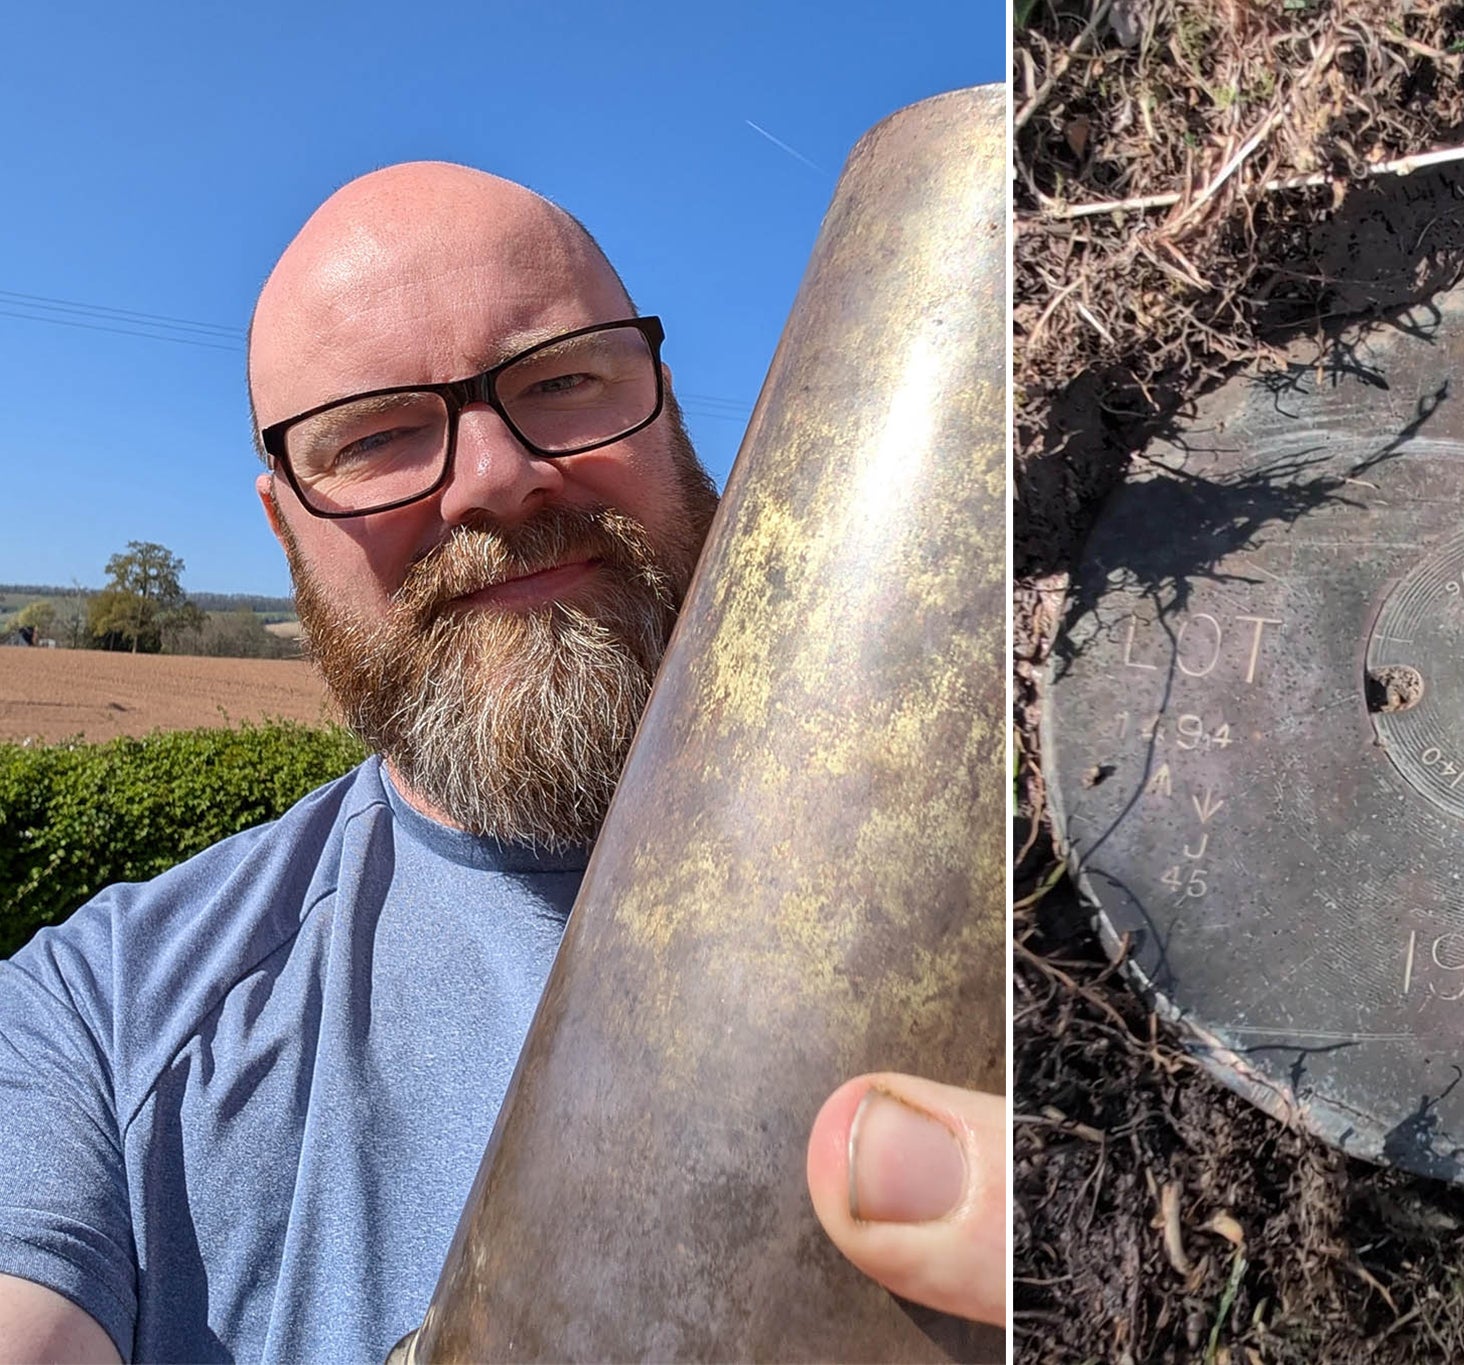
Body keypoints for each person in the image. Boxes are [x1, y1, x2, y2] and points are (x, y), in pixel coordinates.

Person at [0, 162, 1003, 1363]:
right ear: (284, 526)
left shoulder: (1014, 820)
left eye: (564, 381)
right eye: (373, 437)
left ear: (666, 402)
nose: (493, 477)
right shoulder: (97, 1024)